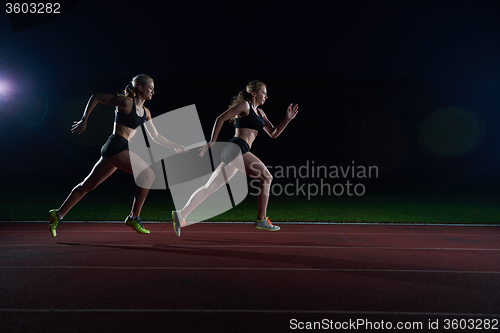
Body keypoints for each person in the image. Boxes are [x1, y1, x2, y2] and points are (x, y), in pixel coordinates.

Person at [49, 74, 185, 237]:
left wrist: (176, 146)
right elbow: (97, 97)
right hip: (115, 146)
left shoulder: (146, 112)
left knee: (89, 185)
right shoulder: (127, 102)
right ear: (140, 88)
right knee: (148, 175)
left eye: (154, 89)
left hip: (120, 149)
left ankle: (57, 214)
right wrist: (84, 120)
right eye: (150, 88)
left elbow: (156, 137)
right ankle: (133, 217)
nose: (153, 92)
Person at [172, 80, 298, 236]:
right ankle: (261, 220)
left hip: (235, 151)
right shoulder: (245, 105)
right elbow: (220, 118)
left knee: (210, 187)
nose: (266, 96)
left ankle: (181, 214)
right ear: (254, 93)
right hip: (236, 148)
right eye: (264, 92)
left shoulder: (261, 113)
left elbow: (273, 133)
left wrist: (288, 119)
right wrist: (212, 141)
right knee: (267, 177)